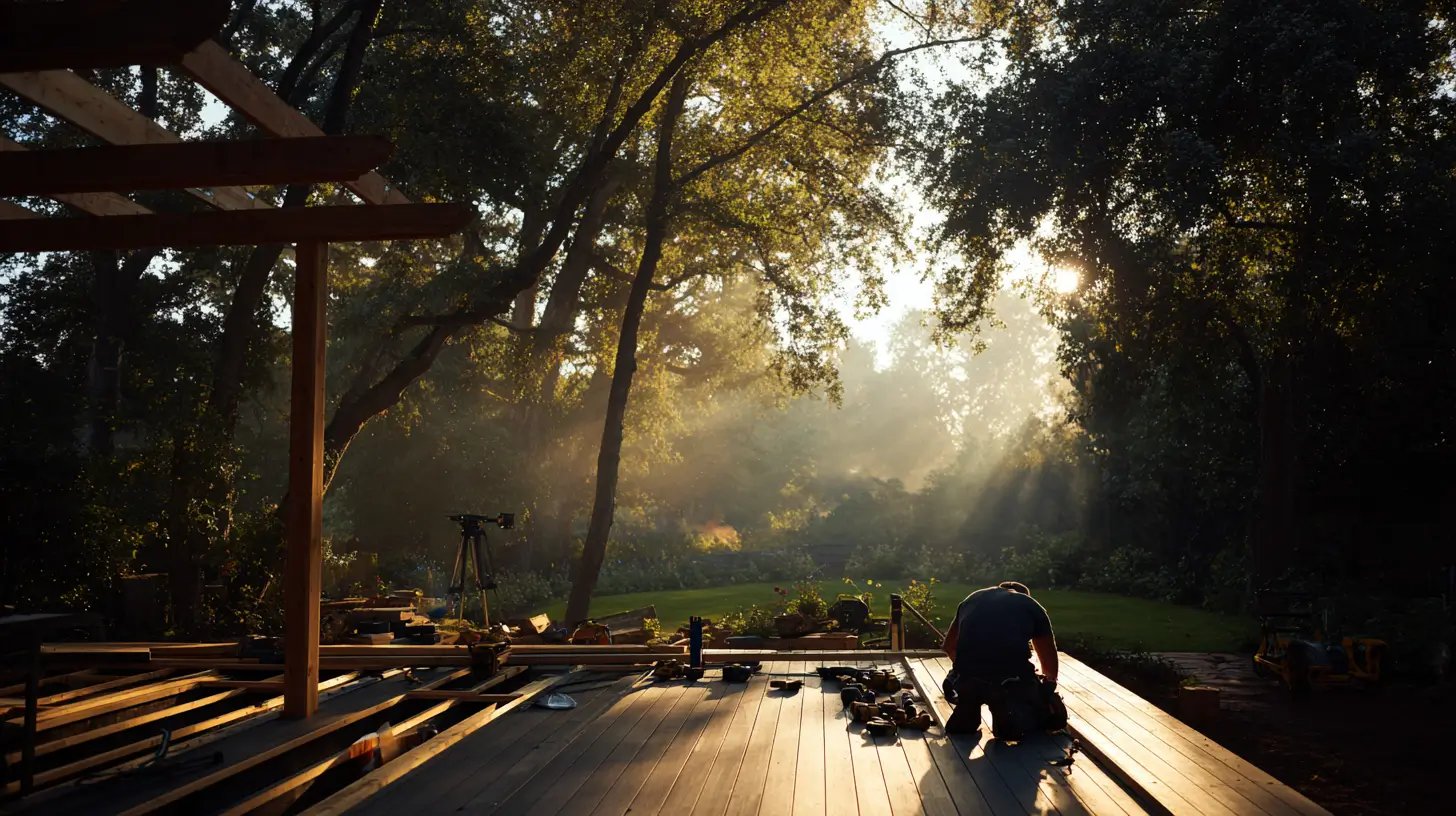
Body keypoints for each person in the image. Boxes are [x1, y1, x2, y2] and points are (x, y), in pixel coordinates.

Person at [940, 580, 1058, 736]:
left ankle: (972, 696)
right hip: (1011, 678)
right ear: (1023, 595)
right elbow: (1049, 660)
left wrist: (971, 669)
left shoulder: (972, 599)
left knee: (970, 682)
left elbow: (949, 646)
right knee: (1036, 718)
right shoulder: (1030, 605)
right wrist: (1046, 688)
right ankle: (1006, 709)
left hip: (967, 675)